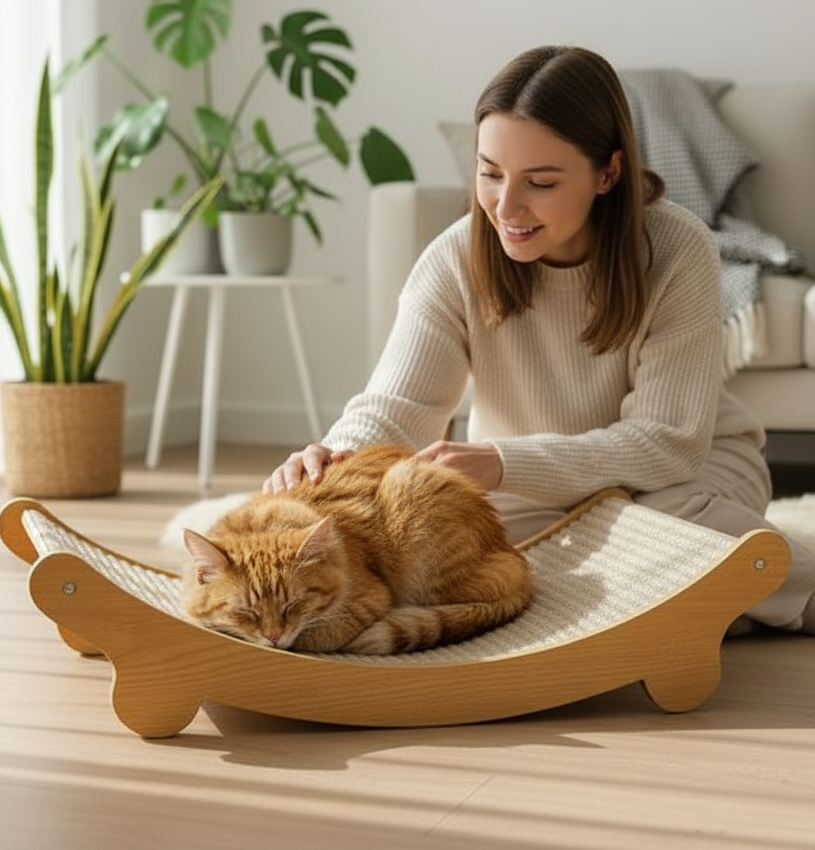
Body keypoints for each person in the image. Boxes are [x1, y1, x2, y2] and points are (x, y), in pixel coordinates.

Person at [264, 45, 815, 634]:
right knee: (473, 564)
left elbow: (667, 443)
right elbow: (399, 408)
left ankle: (784, 595)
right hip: (530, 492)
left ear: (609, 172)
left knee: (651, 529)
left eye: (541, 182)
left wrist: (502, 461)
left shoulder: (679, 249)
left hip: (684, 478)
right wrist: (331, 455)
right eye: (489, 173)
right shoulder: (453, 259)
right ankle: (716, 608)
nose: (507, 207)